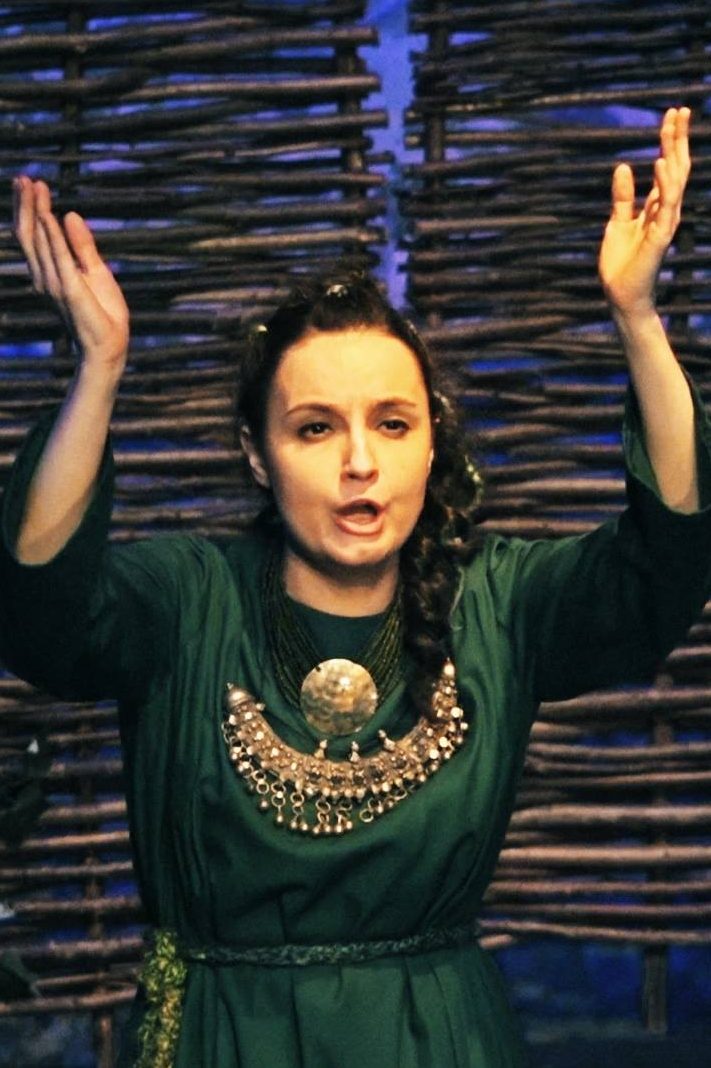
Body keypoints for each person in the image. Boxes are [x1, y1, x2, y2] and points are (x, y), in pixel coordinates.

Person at [1, 107, 710, 1067]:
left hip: (434, 1041)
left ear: (431, 444)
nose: (360, 464)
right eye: (315, 428)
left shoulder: (496, 603)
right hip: (222, 1040)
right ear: (258, 455)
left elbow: (667, 561)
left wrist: (636, 318)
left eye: (392, 423)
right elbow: (40, 610)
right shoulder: (189, 599)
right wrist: (101, 367)